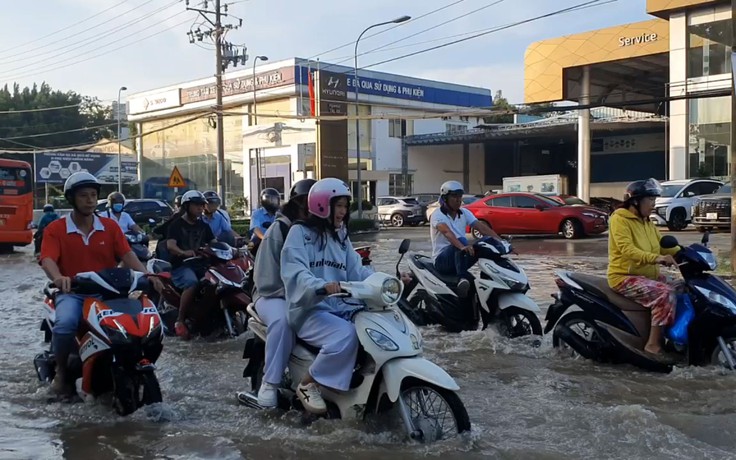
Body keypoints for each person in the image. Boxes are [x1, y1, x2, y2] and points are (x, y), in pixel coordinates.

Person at [39, 172, 154, 397]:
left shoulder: (110, 227)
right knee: (65, 325)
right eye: (83, 196)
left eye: (93, 195)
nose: (90, 200)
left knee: (140, 323)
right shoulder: (56, 229)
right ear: (72, 199)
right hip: (73, 292)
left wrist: (147, 276)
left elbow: (127, 255)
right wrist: (58, 278)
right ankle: (62, 375)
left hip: (110, 294)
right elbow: (47, 259)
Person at [280, 178, 374, 414]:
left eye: (345, 206)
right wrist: (321, 286)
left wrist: (383, 281)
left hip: (339, 306)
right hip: (309, 309)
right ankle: (308, 383)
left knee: (375, 327)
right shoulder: (299, 234)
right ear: (323, 205)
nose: (343, 211)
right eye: (338, 205)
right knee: (346, 335)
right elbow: (296, 271)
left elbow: (357, 270)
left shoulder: (340, 236)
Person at [252, 178, 316, 408]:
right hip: (273, 294)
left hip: (311, 294)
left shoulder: (324, 231)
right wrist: (295, 295)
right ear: (297, 203)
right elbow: (265, 277)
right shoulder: (279, 230)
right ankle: (270, 383)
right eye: (307, 202)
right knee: (283, 320)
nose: (312, 208)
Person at [608, 178, 679, 356]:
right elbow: (627, 250)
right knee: (665, 294)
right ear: (636, 201)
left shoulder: (647, 221)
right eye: (650, 200)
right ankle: (653, 345)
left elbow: (662, 245)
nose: (653, 204)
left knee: (682, 287)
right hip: (623, 277)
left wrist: (686, 252)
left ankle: (676, 338)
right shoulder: (619, 220)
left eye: (654, 200)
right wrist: (658, 259)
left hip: (647, 276)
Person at [430, 180, 501, 297]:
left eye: (459, 196)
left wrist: (501, 242)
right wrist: (462, 246)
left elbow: (482, 228)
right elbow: (447, 232)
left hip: (461, 257)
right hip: (442, 261)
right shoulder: (438, 215)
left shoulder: (464, 213)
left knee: (485, 244)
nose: (458, 200)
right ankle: (462, 278)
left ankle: (493, 278)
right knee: (459, 244)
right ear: (445, 198)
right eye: (454, 196)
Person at [165, 190, 216, 340]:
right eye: (196, 205)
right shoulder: (176, 225)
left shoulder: (204, 226)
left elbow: (214, 243)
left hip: (201, 264)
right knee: (191, 283)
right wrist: (183, 252)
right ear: (186, 206)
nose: (200, 208)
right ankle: (180, 319)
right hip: (182, 265)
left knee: (215, 282)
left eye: (202, 205)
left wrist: (231, 249)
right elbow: (170, 246)